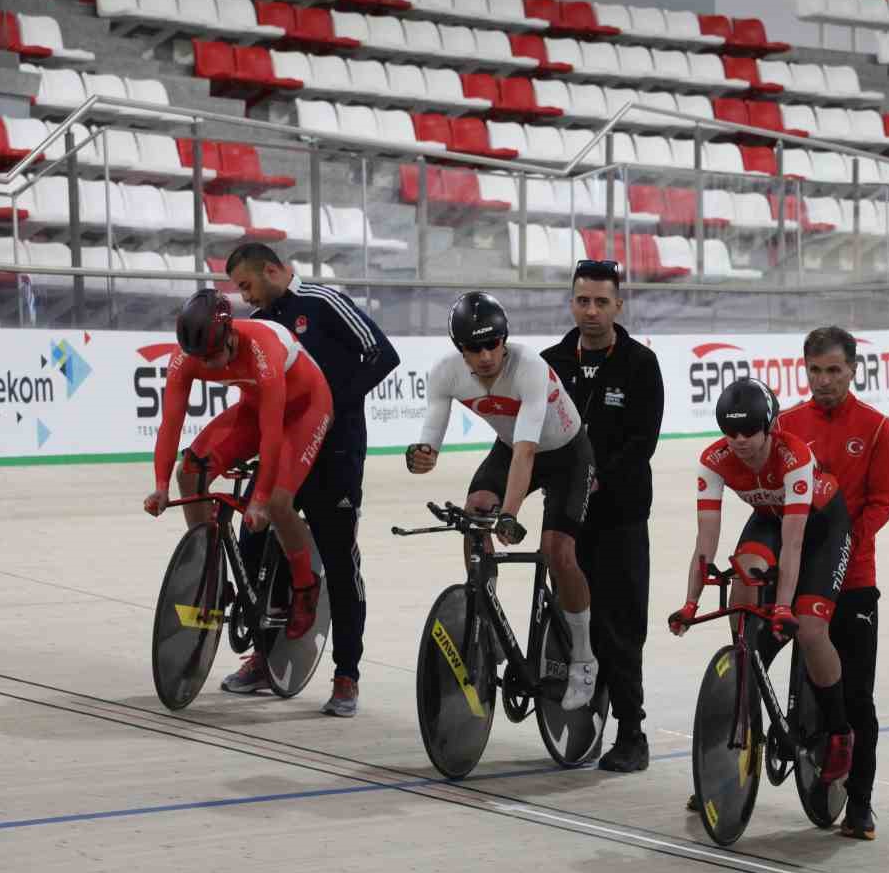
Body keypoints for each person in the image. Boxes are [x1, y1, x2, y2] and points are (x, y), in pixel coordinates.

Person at [218, 244, 399, 717]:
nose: (245, 297)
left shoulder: (322, 301)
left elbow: (383, 354)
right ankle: (266, 657)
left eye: (247, 285)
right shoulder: (262, 322)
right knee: (255, 541)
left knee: (339, 561)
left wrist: (331, 403)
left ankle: (346, 674)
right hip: (284, 451)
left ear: (272, 270)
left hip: (335, 452)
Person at [406, 291, 600, 712]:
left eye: (492, 344)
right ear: (459, 349)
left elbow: (527, 453)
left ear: (505, 340)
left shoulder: (529, 367)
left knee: (558, 552)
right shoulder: (445, 373)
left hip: (566, 455)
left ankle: (585, 656)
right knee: (474, 512)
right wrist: (423, 456)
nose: (485, 356)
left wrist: (510, 515)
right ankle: (486, 617)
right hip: (511, 446)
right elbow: (430, 441)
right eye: (473, 348)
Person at [669, 377, 855, 787]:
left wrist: (784, 607)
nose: (739, 441)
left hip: (821, 526)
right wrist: (690, 603)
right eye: (730, 431)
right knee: (743, 577)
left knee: (810, 629)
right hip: (769, 519)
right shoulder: (714, 459)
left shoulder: (794, 456)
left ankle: (840, 732)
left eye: (749, 431)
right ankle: (746, 671)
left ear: (770, 427)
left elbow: (794, 542)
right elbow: (705, 540)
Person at [143, 290, 332, 642]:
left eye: (214, 354)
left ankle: (305, 584)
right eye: (201, 357)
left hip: (305, 410)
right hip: (254, 407)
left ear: (230, 333)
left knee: (276, 503)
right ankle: (211, 572)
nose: (210, 364)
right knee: (189, 472)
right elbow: (170, 424)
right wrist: (160, 485)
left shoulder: (263, 348)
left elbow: (272, 434)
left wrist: (259, 500)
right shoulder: (185, 358)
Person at [541, 259, 664, 772]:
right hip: (569, 518)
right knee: (575, 623)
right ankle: (580, 719)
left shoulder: (640, 364)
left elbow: (642, 443)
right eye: (582, 301)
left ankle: (632, 734)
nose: (590, 311)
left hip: (620, 517)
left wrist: (595, 476)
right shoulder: (550, 362)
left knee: (620, 628)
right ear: (571, 303)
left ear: (618, 305)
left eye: (600, 302)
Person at [778, 327, 889, 840]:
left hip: (854, 579)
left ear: (852, 370)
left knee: (858, 696)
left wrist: (844, 544)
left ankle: (861, 804)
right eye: (815, 370)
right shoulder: (786, 423)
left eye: (834, 370)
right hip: (796, 574)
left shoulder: (876, 427)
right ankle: (728, 766)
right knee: (748, 647)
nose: (824, 380)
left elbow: (882, 502)